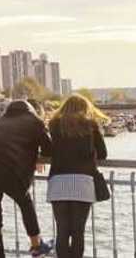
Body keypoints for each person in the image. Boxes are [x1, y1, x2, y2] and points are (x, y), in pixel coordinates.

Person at [0, 99, 54, 257]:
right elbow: (49, 149)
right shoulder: (35, 121)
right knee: (25, 202)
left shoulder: (2, 121)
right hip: (6, 168)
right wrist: (38, 156)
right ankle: (36, 244)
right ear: (34, 110)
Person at [45, 94, 108, 258]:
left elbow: (50, 150)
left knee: (62, 231)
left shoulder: (54, 124)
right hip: (83, 181)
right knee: (78, 232)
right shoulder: (90, 125)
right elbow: (103, 153)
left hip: (58, 182)